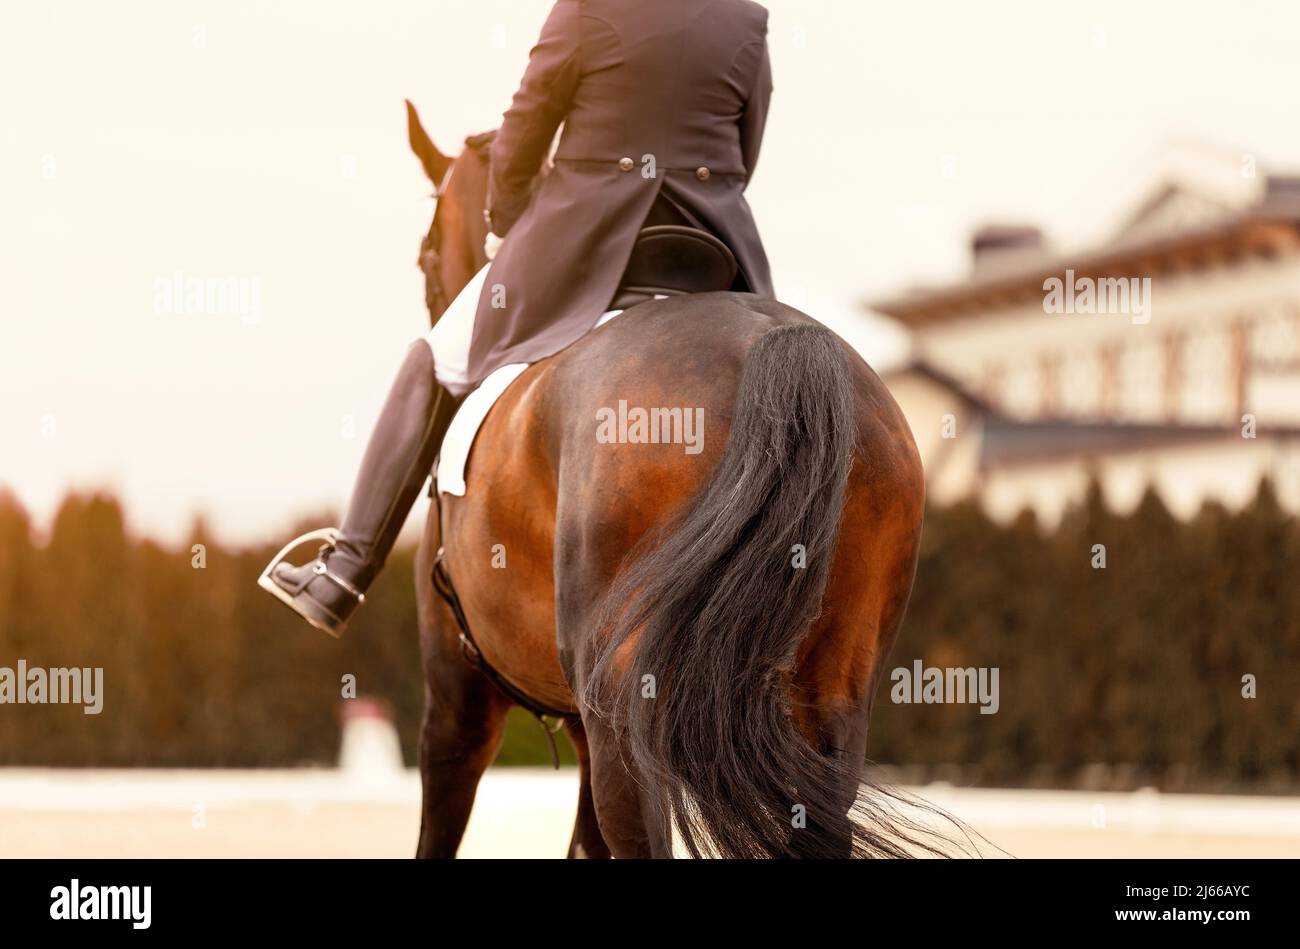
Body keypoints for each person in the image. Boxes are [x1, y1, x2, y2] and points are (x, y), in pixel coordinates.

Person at [261, 0, 775, 636]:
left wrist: (504, 225)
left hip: (586, 241)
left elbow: (524, 132)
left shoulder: (586, 8)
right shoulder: (745, 18)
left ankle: (342, 572)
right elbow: (744, 154)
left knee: (438, 354)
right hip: (711, 247)